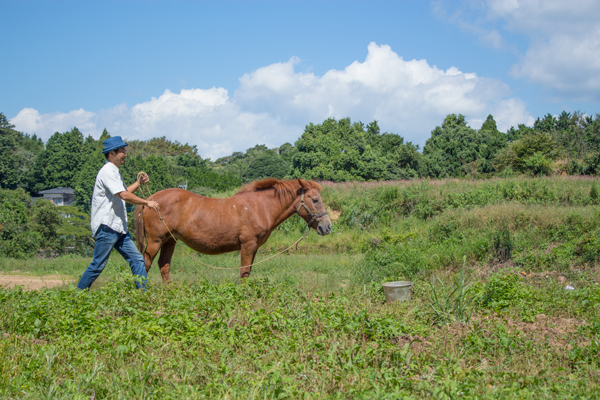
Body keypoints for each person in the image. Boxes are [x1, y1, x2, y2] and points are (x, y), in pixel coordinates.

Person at [77, 136, 160, 290]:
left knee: (137, 260)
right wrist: (146, 202)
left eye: (125, 151)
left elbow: (125, 191)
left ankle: (144, 294)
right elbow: (124, 195)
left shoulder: (114, 172)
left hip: (118, 228)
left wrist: (139, 183)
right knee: (97, 265)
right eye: (122, 151)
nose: (125, 154)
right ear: (111, 154)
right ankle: (76, 295)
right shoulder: (107, 171)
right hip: (107, 226)